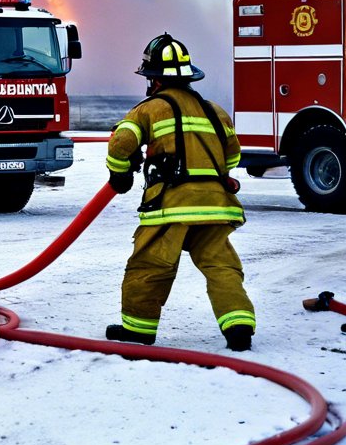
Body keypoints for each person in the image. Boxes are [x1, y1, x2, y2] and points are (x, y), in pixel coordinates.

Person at [105, 32, 256, 352]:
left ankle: (138, 330)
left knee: (149, 266)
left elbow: (121, 143)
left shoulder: (150, 108)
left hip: (171, 205)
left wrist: (119, 175)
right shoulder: (215, 110)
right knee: (222, 266)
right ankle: (239, 326)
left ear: (154, 80)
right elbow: (233, 156)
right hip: (216, 205)